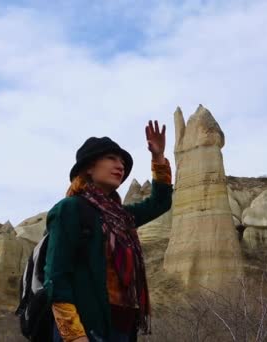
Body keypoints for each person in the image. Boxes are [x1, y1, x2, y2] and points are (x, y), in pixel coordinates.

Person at [44, 120, 173, 342]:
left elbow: (160, 202)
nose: (120, 166)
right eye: (111, 158)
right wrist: (74, 335)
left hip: (121, 329)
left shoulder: (121, 216)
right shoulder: (71, 209)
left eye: (122, 162)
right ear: (89, 168)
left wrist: (158, 157)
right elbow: (57, 276)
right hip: (84, 328)